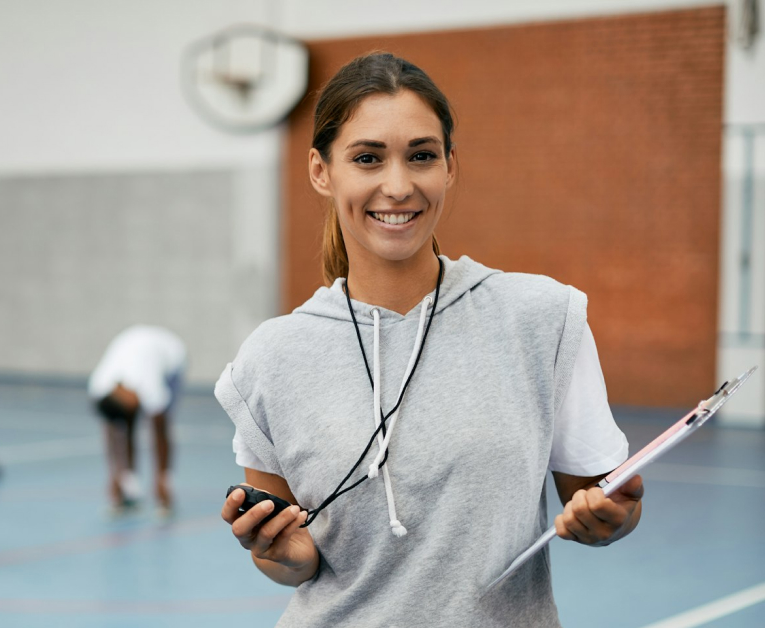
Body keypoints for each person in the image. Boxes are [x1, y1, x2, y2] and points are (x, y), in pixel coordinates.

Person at [216, 52, 641, 626]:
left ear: (449, 167)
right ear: (321, 171)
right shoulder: (270, 359)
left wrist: (611, 518)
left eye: (421, 156)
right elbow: (297, 559)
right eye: (367, 158)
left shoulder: (542, 318)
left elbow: (601, 501)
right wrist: (281, 553)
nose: (398, 185)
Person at [89, 325, 186, 518]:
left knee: (160, 420)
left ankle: (163, 486)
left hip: (172, 359)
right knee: (122, 428)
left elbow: (160, 432)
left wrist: (162, 480)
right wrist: (116, 475)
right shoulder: (98, 386)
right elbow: (111, 432)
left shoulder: (149, 383)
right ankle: (129, 485)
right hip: (132, 343)